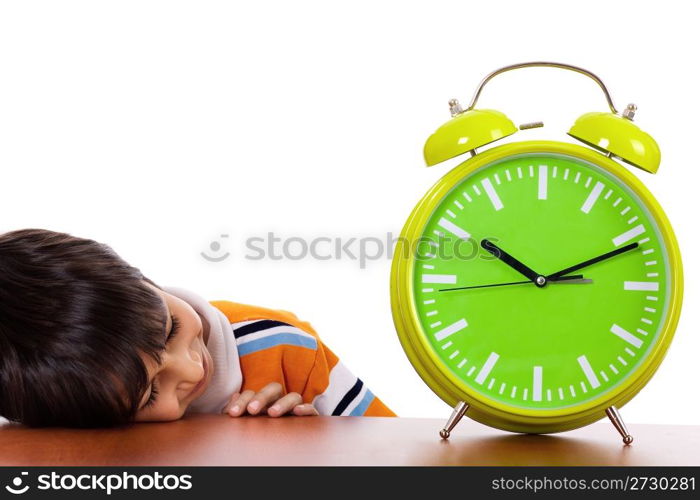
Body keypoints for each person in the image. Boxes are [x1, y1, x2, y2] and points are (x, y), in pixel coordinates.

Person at [0, 228, 395, 428]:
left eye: (169, 328)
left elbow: (398, 453)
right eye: (151, 393)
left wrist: (314, 441)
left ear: (146, 280)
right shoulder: (40, 412)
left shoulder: (283, 347)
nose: (191, 369)